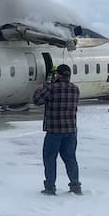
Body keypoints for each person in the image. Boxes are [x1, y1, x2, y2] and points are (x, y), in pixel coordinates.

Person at [32, 64, 81, 195]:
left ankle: (50, 187)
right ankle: (75, 185)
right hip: (70, 131)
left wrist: (38, 89)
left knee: (50, 159)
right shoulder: (75, 89)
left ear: (58, 75)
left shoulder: (51, 88)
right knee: (71, 159)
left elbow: (37, 101)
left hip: (54, 131)